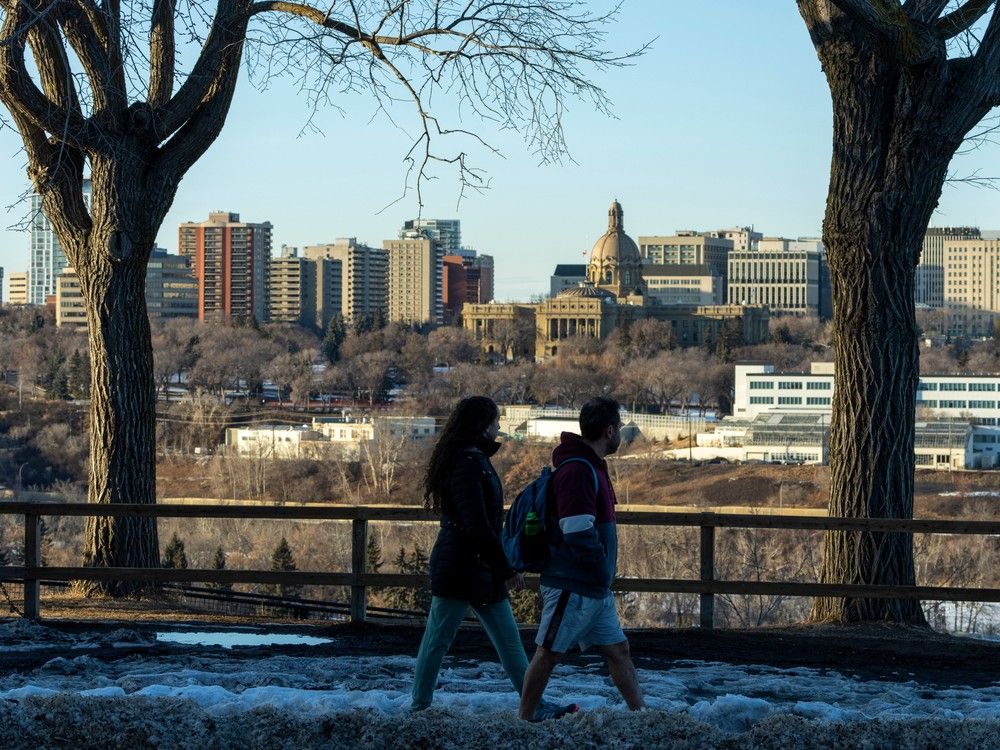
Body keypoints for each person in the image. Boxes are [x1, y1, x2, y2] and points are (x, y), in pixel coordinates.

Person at [411, 396, 575, 720]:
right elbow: (477, 526)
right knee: (440, 639)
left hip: (474, 566)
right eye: (495, 420)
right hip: (461, 567)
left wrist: (499, 566)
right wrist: (506, 568)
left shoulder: (471, 460)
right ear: (483, 425)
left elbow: (482, 526)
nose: (499, 426)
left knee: (503, 640)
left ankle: (533, 705)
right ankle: (420, 706)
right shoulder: (467, 464)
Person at [519, 396, 645, 720]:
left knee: (619, 650)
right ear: (609, 431)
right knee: (548, 653)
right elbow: (575, 528)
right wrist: (600, 564)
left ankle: (641, 714)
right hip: (572, 585)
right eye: (619, 428)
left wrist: (600, 573)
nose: (620, 434)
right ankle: (525, 717)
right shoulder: (578, 470)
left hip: (593, 587)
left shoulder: (588, 466)